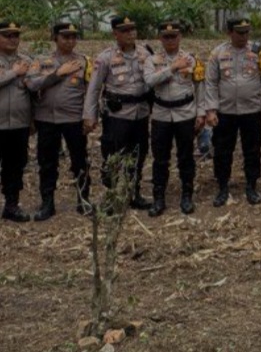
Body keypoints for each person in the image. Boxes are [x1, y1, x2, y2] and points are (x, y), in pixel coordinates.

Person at [83, 15, 154, 210]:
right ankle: (112, 196)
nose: (130, 33)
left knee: (138, 156)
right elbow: (94, 88)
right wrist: (90, 115)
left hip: (140, 114)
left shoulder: (146, 54)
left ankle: (134, 193)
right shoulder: (105, 57)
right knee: (113, 157)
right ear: (115, 33)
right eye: (125, 30)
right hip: (117, 116)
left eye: (133, 29)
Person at [25, 22, 92, 219]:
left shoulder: (84, 62)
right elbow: (31, 83)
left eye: (73, 37)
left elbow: (91, 92)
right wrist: (57, 74)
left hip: (73, 119)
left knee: (80, 161)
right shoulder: (41, 61)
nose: (70, 41)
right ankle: (47, 203)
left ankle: (83, 199)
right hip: (47, 119)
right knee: (47, 162)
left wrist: (89, 116)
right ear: (55, 38)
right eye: (65, 37)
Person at [203, 16, 261, 207]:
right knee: (223, 150)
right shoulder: (218, 53)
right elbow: (210, 83)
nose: (244, 36)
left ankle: (251, 185)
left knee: (252, 150)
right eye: (239, 33)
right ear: (229, 33)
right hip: (225, 111)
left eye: (247, 32)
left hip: (251, 110)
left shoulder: (258, 51)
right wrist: (210, 110)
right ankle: (223, 186)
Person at [142, 20, 205, 216]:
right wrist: (172, 68)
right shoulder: (152, 61)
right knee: (160, 159)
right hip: (161, 114)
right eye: (166, 36)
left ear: (180, 37)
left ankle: (186, 196)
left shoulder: (192, 59)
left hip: (185, 113)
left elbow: (200, 87)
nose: (170, 40)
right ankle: (159, 198)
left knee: (186, 157)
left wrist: (201, 112)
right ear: (160, 38)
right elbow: (149, 82)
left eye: (174, 36)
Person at [0, 20, 32, 222]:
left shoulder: (27, 61)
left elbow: (34, 91)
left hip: (19, 124)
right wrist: (15, 73)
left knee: (15, 166)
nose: (13, 40)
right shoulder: (20, 67)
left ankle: (12, 205)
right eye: (7, 35)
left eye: (16, 35)